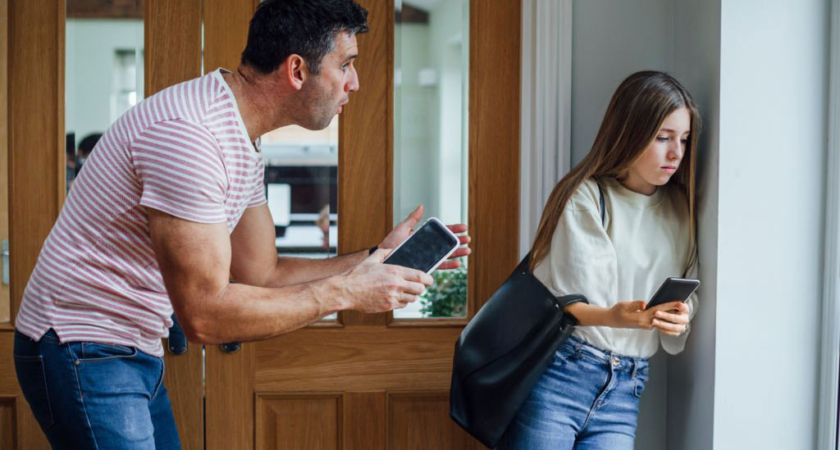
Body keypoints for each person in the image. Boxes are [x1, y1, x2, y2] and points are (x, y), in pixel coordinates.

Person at [13, 1, 469, 448]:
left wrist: (374, 261)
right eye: (345, 64)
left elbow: (262, 273)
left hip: (129, 347)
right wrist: (347, 291)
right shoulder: (190, 137)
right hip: (82, 345)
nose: (355, 82)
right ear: (296, 70)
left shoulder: (237, 133)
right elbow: (205, 316)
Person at [499, 71, 699, 449]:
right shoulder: (586, 196)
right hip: (562, 376)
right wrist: (618, 317)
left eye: (684, 140)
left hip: (627, 386)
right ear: (631, 132)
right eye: (663, 138)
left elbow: (691, 284)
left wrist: (679, 315)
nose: (676, 153)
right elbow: (566, 302)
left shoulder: (682, 209)